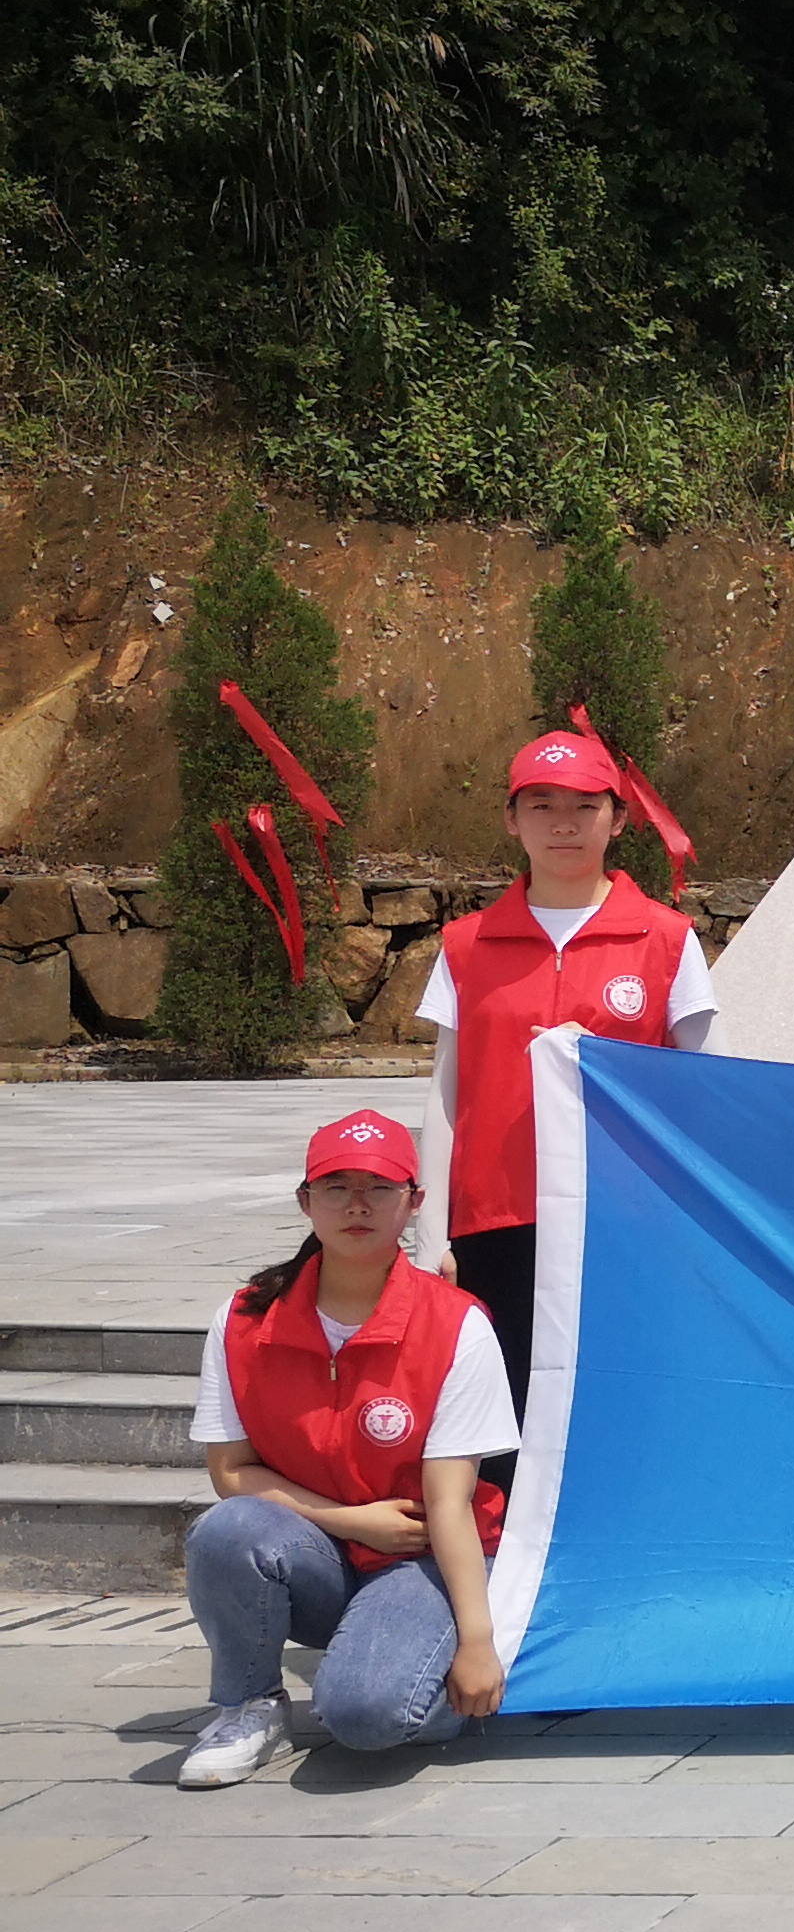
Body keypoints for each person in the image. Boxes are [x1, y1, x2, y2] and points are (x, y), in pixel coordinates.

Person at [176, 1113, 515, 1788]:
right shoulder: (244, 1319)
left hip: (424, 1557)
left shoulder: (457, 1323)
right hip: (319, 1557)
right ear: (305, 1201)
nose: (357, 1205)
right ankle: (247, 1707)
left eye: (379, 1188)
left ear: (414, 1203)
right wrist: (351, 1521)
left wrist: (478, 1643)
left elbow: (450, 1504)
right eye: (336, 1187)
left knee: (366, 1717)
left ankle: (439, 1670)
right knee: (226, 1531)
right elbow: (230, 1473)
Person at [417, 732, 716, 1423]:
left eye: (585, 806)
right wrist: (432, 1233)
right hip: (498, 1222)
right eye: (541, 805)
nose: (563, 824)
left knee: (621, 1413)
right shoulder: (467, 945)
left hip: (625, 1224)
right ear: (510, 819)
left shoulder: (665, 938)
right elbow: (446, 1095)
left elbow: (704, 1095)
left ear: (619, 819)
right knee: (505, 1421)